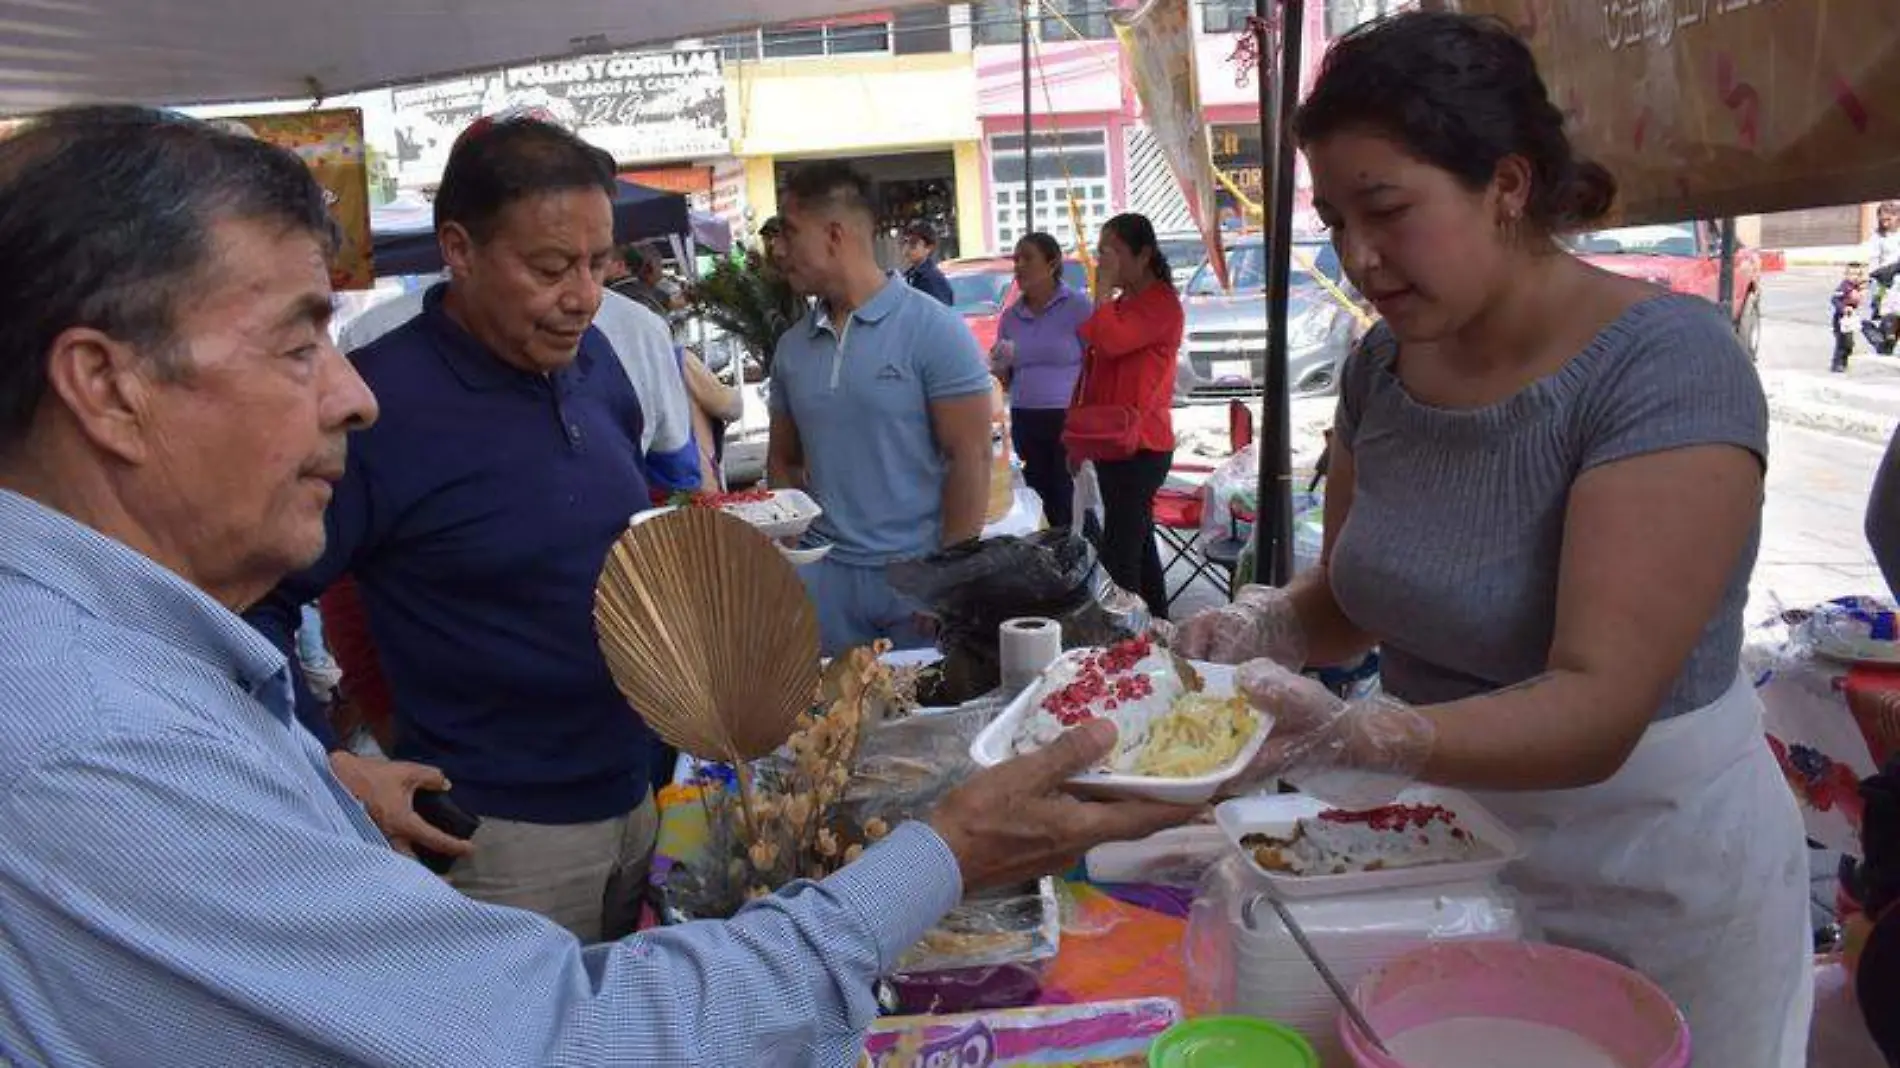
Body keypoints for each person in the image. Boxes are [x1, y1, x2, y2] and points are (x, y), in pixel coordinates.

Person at [0, 105, 1196, 1067]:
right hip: (501, 819)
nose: (342, 397)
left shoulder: (599, 372)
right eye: (296, 341)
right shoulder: (100, 747)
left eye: (596, 266)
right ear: (106, 388)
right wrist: (944, 850)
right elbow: (568, 1033)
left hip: (626, 779)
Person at [1170, 14, 1809, 1066]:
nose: (1357, 257)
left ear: (1506, 185)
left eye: (1386, 211)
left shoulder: (1663, 367)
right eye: (1333, 219)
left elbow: (1598, 707)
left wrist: (1368, 735)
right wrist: (1263, 627)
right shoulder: (1383, 367)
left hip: (1648, 863)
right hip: (1441, 860)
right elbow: (1352, 597)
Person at [244, 116, 686, 942]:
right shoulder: (377, 405)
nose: (584, 296)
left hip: (636, 796)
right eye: (551, 268)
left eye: (598, 263)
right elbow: (249, 606)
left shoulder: (596, 365)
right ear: (459, 248)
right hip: (499, 839)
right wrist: (330, 763)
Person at [768, 163, 994, 655]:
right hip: (821, 583)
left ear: (833, 235)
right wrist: (790, 558)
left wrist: (946, 584)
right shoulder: (791, 347)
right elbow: (783, 460)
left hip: (912, 586)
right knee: (827, 728)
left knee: (919, 724)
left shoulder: (933, 329)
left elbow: (972, 457)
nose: (778, 250)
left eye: (788, 232)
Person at [1073, 213, 1184, 619]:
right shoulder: (1124, 305)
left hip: (1142, 445)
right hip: (1112, 439)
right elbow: (1097, 361)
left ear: (1143, 255)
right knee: (1137, 542)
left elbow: (1114, 342)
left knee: (1121, 549)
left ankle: (1123, 635)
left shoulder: (1161, 304)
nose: (1103, 262)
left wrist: (1100, 292)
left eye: (1111, 252)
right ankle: (1156, 625)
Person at [993, 232, 1091, 530]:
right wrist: (1000, 364)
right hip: (1025, 415)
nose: (1019, 266)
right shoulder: (1010, 317)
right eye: (1016, 259)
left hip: (1066, 416)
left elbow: (1095, 363)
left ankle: (1073, 558)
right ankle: (1045, 561)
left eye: (1027, 258)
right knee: (1035, 495)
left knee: (1065, 495)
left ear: (1051, 264)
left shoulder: (1077, 307)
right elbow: (1003, 376)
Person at [900, 221, 956, 306]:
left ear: (929, 248)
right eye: (905, 242)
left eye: (913, 243)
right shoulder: (908, 276)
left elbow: (941, 314)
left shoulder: (933, 279)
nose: (907, 248)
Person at [1836, 261, 1870, 373]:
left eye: (1858, 275)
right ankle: (1838, 364)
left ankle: (1844, 362)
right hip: (1841, 318)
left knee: (1849, 343)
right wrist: (1843, 308)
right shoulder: (1844, 286)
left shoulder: (1857, 286)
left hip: (1851, 318)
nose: (1855, 277)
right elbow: (1835, 299)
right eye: (1852, 274)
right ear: (1846, 275)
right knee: (1843, 342)